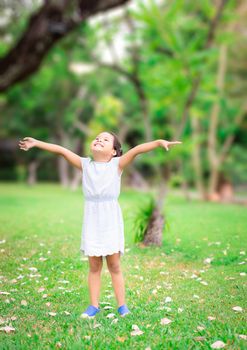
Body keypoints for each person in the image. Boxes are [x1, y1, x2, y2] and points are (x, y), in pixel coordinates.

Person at [19, 132, 182, 318]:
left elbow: (136, 150)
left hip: (110, 218)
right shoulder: (85, 164)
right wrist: (36, 142)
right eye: (97, 138)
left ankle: (122, 306)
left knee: (114, 265)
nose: (99, 140)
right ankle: (93, 306)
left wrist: (158, 142)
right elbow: (62, 151)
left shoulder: (117, 165)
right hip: (92, 218)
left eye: (105, 140)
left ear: (113, 151)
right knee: (94, 266)